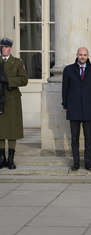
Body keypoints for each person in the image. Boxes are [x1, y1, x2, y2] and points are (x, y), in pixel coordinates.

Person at [62, 47, 91, 171]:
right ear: (76, 55)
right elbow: (65, 89)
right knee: (75, 138)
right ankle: (76, 162)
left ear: (88, 56)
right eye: (80, 54)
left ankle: (88, 162)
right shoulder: (68, 70)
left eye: (84, 55)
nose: (82, 57)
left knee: (88, 138)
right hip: (74, 107)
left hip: (89, 108)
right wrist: (66, 105)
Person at [0, 37, 28, 169]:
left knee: (12, 129)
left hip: (12, 99)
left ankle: (10, 158)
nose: (3, 49)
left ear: (11, 49)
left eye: (6, 47)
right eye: (2, 47)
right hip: (0, 98)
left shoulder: (17, 62)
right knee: (1, 129)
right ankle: (1, 158)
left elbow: (24, 80)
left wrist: (7, 80)